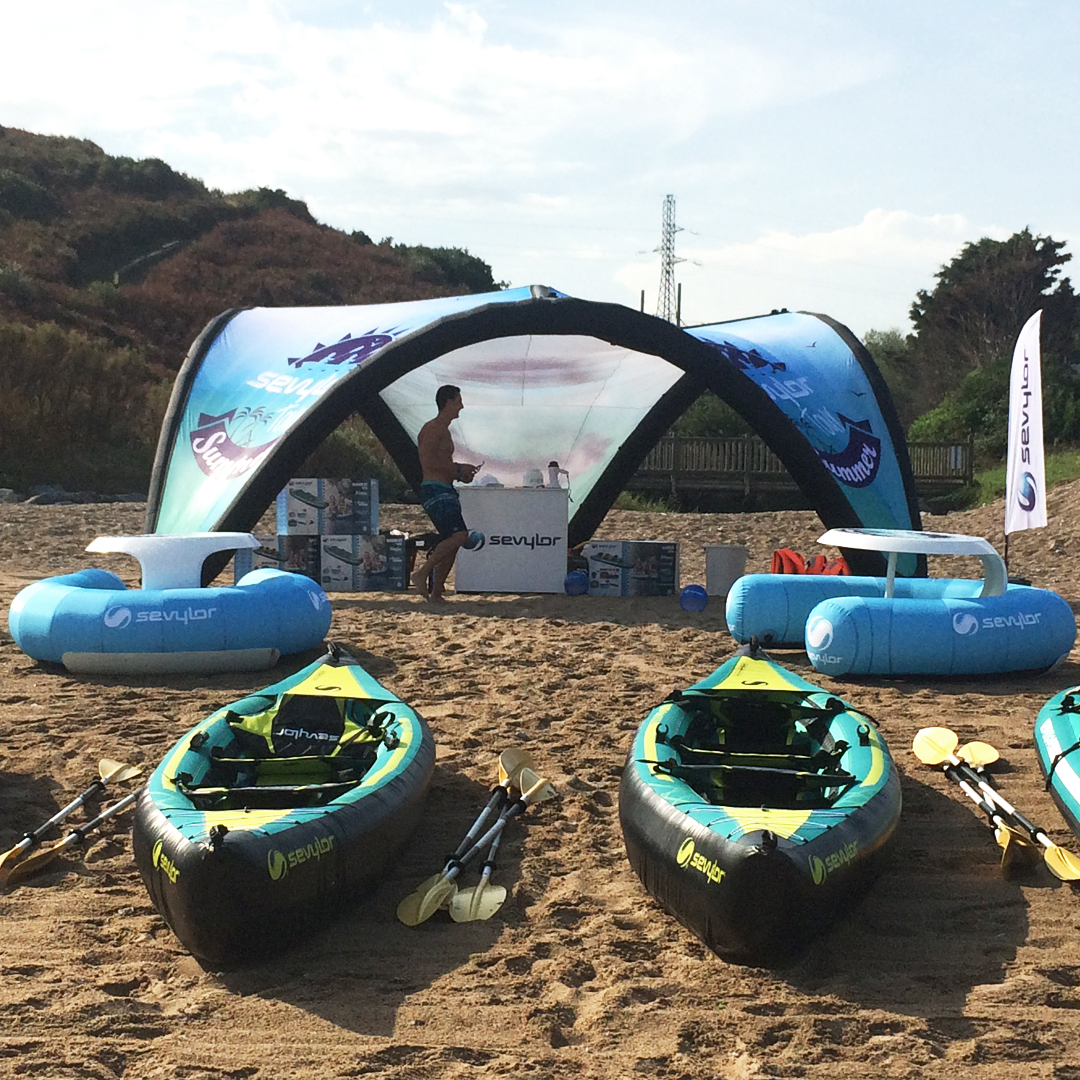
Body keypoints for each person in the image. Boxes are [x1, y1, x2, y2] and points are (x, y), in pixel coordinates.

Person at [409, 385, 481, 601]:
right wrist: (458, 470)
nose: (461, 406)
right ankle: (421, 574)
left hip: (445, 488)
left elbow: (442, 463)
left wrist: (461, 473)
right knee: (460, 536)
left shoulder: (444, 430)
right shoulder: (432, 428)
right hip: (435, 489)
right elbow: (428, 462)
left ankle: (437, 591)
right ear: (448, 402)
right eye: (458, 401)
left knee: (453, 540)